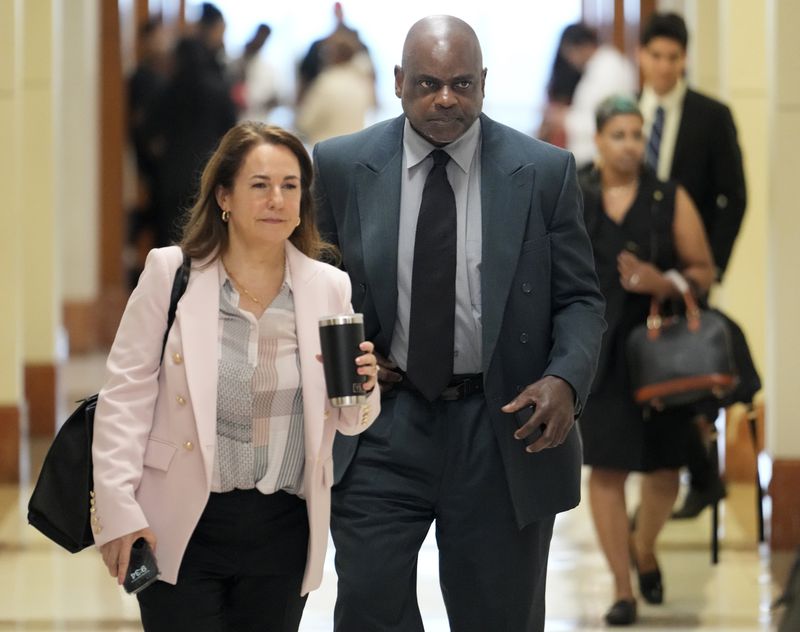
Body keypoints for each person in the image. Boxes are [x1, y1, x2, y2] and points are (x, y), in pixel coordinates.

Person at [313, 15, 606, 631]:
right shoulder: (341, 166)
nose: (445, 98)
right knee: (368, 604)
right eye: (427, 83)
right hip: (381, 427)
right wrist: (351, 368)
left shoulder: (543, 172)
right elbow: (319, 294)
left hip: (500, 428)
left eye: (461, 83)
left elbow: (580, 298)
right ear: (397, 82)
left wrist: (566, 381)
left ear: (484, 84)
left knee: (498, 615)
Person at [91, 122, 380, 631]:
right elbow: (124, 397)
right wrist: (118, 508)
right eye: (260, 185)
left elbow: (351, 421)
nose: (277, 200)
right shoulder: (172, 274)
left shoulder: (328, 287)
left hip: (284, 528)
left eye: (291, 186)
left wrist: (366, 384)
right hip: (179, 520)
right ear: (224, 195)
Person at [577, 95, 716, 625]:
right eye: (619, 134)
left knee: (664, 471)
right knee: (607, 469)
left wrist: (664, 281)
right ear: (599, 139)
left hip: (663, 357)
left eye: (637, 134)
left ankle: (645, 545)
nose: (629, 144)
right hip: (600, 353)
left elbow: (703, 269)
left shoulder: (666, 197)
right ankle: (621, 588)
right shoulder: (577, 193)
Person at [638, 12, 747, 519]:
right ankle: (679, 477)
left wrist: (712, 267)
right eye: (656, 56)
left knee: (688, 372)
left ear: (685, 60)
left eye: (673, 58)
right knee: (643, 372)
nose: (664, 67)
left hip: (690, 273)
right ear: (643, 56)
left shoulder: (710, 115)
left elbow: (735, 196)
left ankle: (698, 476)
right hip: (636, 275)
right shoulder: (628, 115)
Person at [562, 23, 637, 167]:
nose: (570, 61)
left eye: (570, 53)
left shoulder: (609, 69)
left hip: (599, 161)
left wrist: (565, 118)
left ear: (582, 47)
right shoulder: (598, 66)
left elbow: (605, 121)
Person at [295, 31, 375, 146]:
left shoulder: (326, 82)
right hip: (354, 149)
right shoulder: (362, 82)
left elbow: (305, 122)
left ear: (334, 54)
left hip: (325, 151)